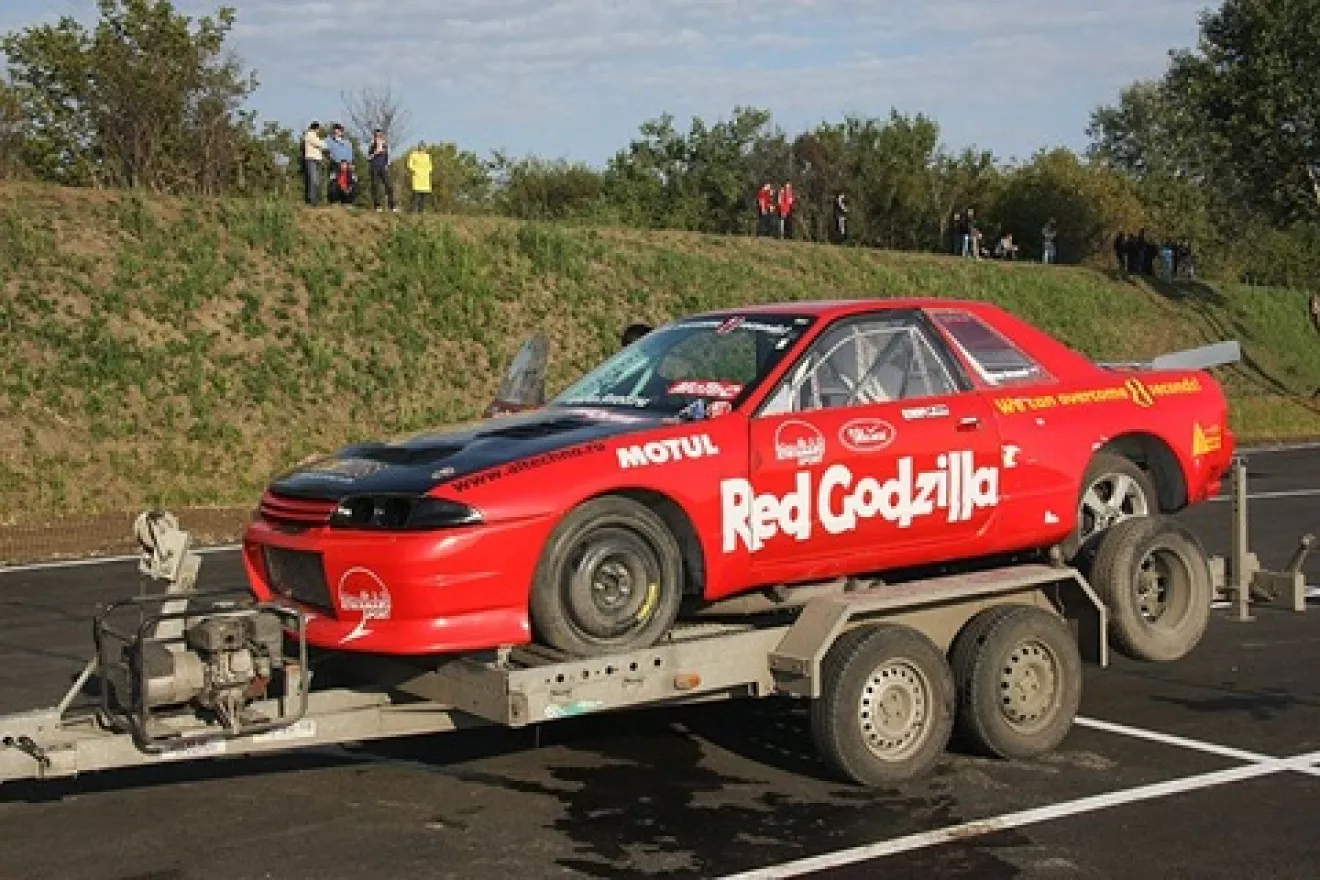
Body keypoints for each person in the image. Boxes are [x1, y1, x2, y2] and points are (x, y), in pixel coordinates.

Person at [324, 123, 355, 206]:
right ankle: (333, 201)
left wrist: (350, 164)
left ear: (342, 132)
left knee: (349, 183)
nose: (337, 131)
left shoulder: (347, 143)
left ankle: (347, 202)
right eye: (335, 130)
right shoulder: (329, 140)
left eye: (339, 130)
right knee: (334, 182)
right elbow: (323, 148)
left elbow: (350, 155)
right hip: (335, 164)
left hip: (347, 165)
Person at [366, 129, 396, 212]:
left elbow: (386, 158)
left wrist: (387, 165)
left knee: (389, 186)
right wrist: (375, 152)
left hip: (383, 168)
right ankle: (377, 206)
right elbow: (368, 158)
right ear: (374, 137)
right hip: (374, 167)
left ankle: (392, 206)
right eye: (376, 136)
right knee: (375, 186)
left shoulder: (385, 146)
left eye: (380, 136)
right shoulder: (372, 146)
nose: (378, 137)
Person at [302, 121, 326, 205]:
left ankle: (315, 199)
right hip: (311, 159)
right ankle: (312, 200)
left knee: (316, 180)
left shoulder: (314, 136)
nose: (319, 130)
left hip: (316, 160)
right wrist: (323, 143)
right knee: (313, 180)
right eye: (318, 128)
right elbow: (321, 144)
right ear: (316, 128)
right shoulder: (310, 135)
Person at [407, 141, 433, 213]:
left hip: (425, 178)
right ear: (419, 147)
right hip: (417, 177)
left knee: (424, 196)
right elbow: (409, 164)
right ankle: (411, 211)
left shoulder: (427, 156)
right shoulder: (414, 155)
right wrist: (415, 170)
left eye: (423, 146)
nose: (422, 148)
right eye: (421, 146)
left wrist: (428, 171)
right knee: (416, 196)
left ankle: (421, 211)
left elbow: (430, 166)